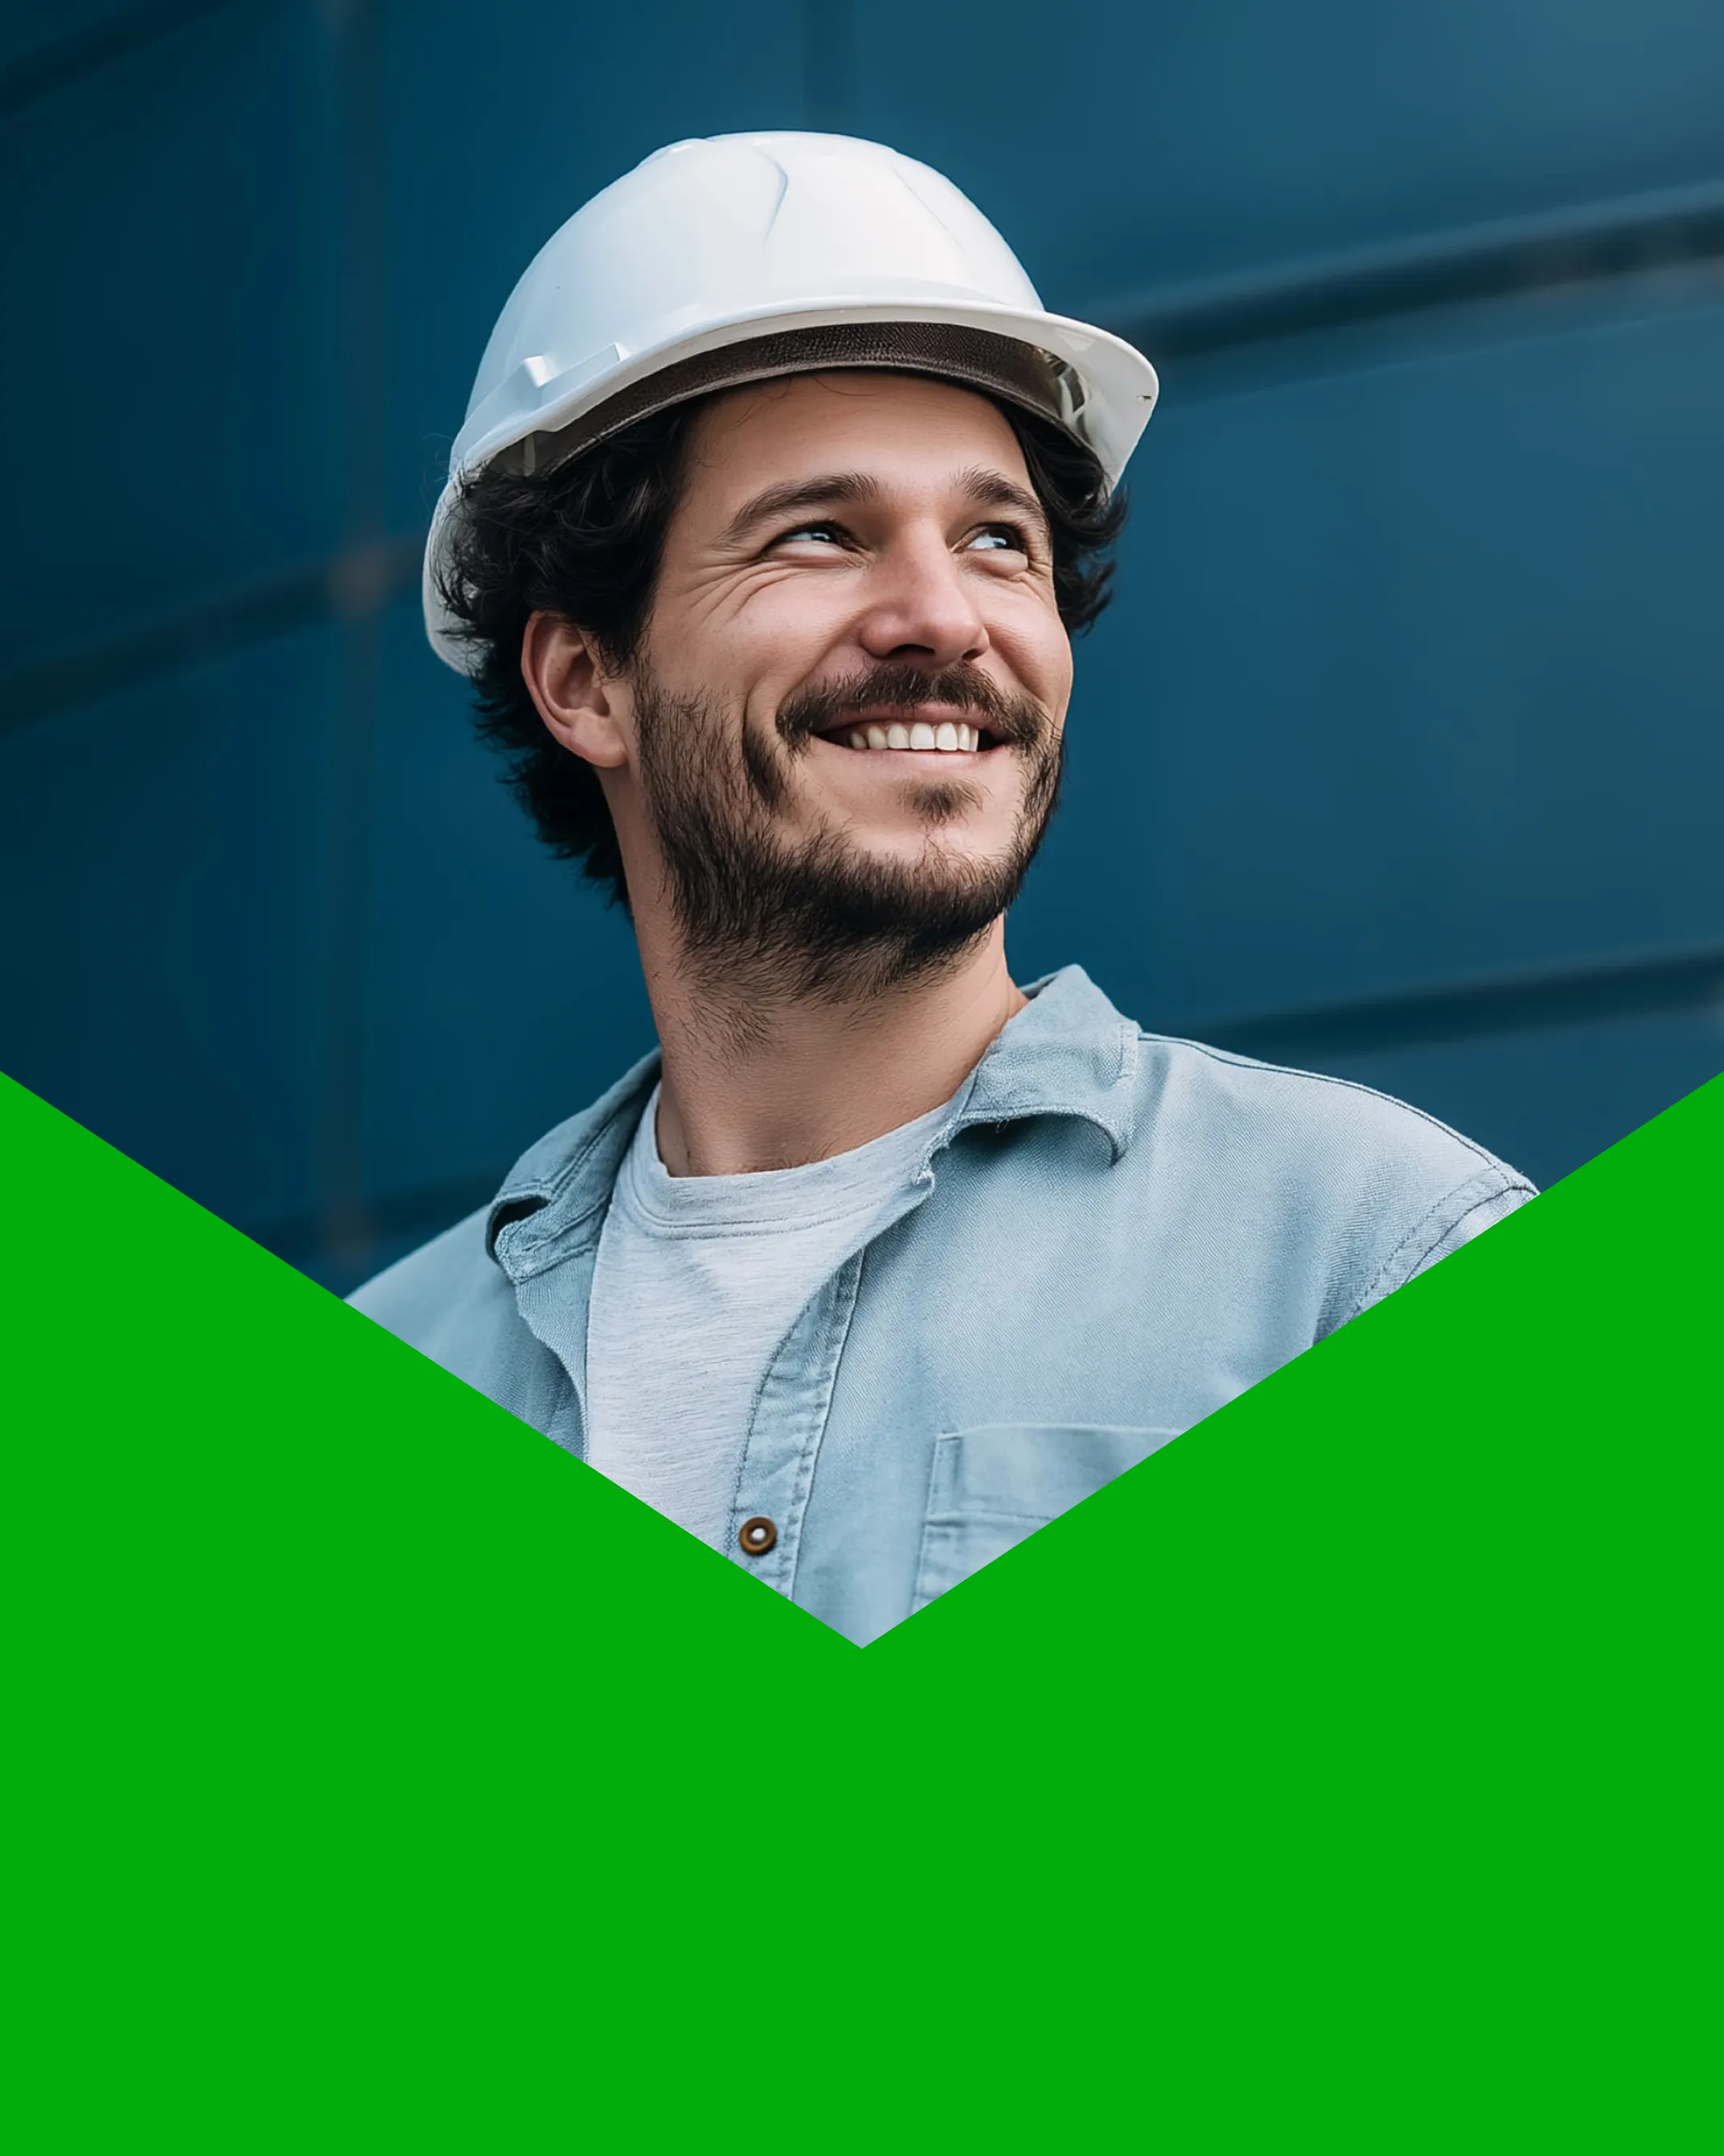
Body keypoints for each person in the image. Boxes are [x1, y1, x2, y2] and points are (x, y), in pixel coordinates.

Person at [353, 133, 1534, 1645]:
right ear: (587, 679)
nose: (941, 617)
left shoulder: (1375, 1260)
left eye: (998, 541)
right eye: (820, 535)